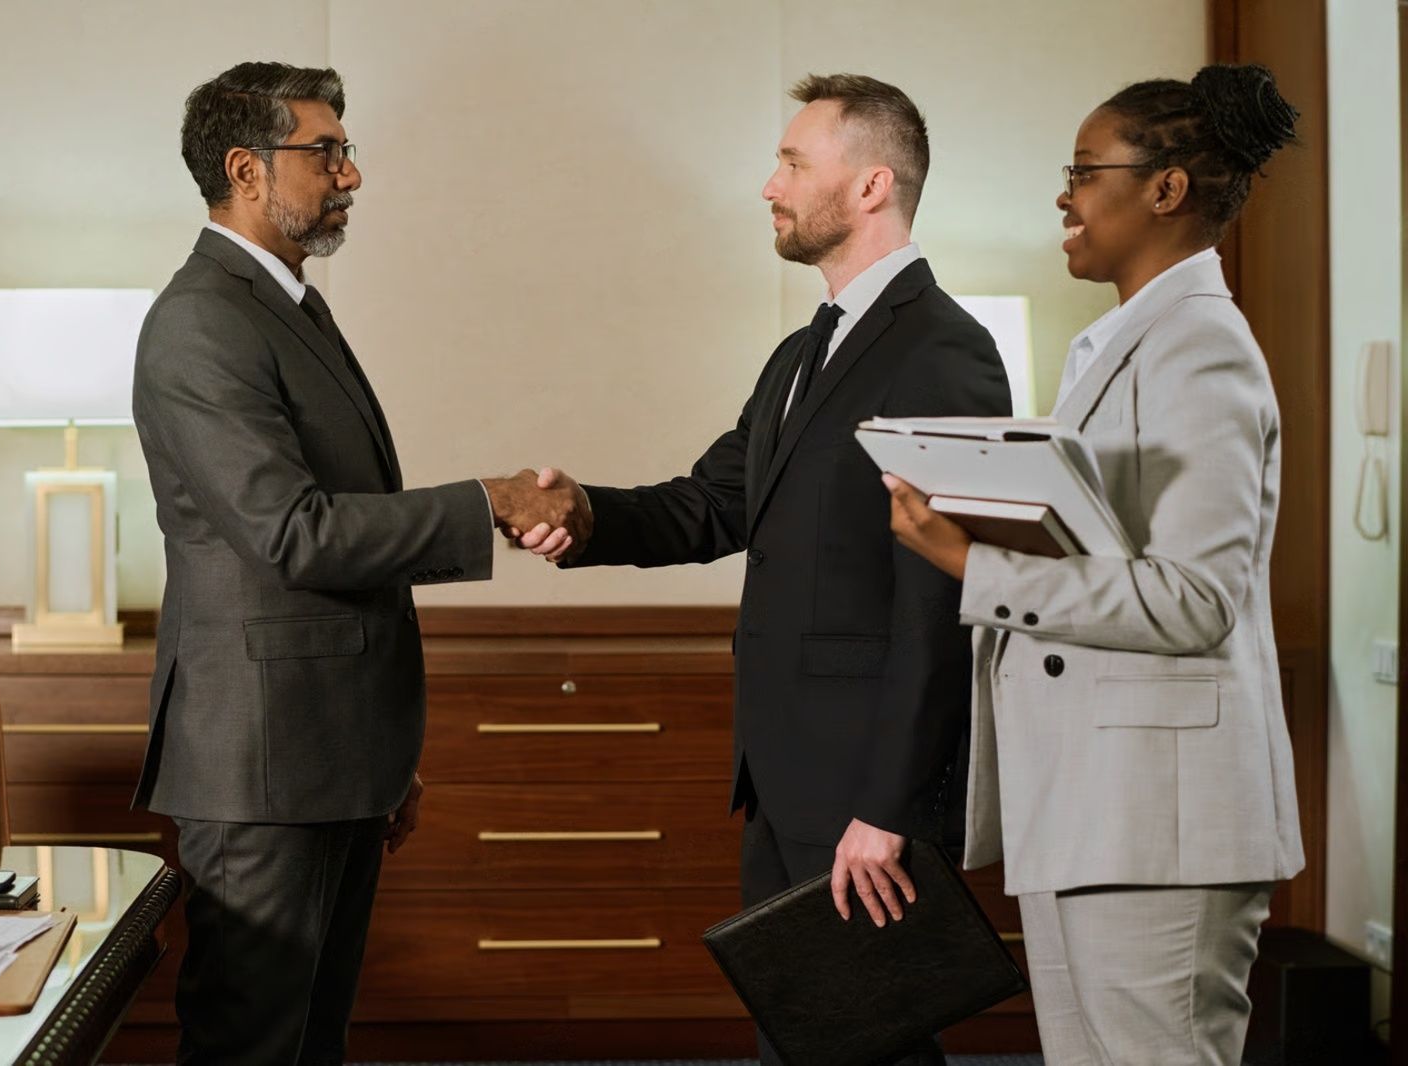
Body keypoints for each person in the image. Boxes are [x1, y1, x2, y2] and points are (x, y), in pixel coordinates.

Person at [524, 74, 1010, 1066]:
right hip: (779, 778)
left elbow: (941, 601)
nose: (768, 186)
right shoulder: (801, 353)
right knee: (804, 1044)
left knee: (868, 1048)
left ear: (871, 186)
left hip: (863, 797)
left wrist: (886, 809)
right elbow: (715, 503)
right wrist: (582, 513)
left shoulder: (945, 351)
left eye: (792, 162)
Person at [130, 61, 587, 1064]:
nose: (350, 174)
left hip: (324, 755)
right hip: (261, 770)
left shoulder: (282, 304)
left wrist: (379, 752)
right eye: (325, 151)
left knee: (310, 1042)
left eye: (344, 149)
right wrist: (487, 503)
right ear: (246, 169)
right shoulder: (200, 320)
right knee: (255, 1044)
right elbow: (292, 532)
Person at [884, 63, 1304, 1065]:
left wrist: (970, 561)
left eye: (1084, 170)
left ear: (1165, 189)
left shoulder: (1201, 347)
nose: (1063, 196)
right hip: (1086, 803)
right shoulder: (1117, 342)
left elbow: (1196, 599)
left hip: (1158, 821)